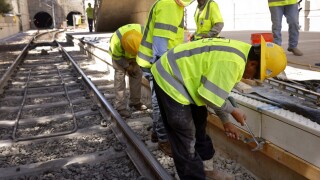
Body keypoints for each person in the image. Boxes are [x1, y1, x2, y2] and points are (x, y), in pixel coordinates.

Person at [150, 37, 287, 179]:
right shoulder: (233, 62)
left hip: (186, 77)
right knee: (184, 134)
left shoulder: (243, 53)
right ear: (253, 64)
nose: (251, 79)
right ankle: (190, 176)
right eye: (254, 76)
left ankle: (206, 169)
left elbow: (218, 91)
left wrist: (226, 121)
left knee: (199, 122)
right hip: (169, 76)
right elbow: (210, 96)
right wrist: (233, 111)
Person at [136, 0, 195, 156]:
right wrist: (167, 71)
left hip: (156, 60)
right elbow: (160, 46)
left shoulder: (174, 5)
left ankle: (157, 133)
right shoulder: (169, 5)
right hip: (156, 62)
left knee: (158, 99)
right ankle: (163, 140)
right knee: (161, 101)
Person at [109, 24, 147, 118]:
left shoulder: (144, 33)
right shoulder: (116, 41)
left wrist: (136, 63)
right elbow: (117, 57)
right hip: (120, 57)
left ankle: (135, 102)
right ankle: (120, 107)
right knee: (120, 76)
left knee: (137, 73)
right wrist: (127, 66)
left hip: (137, 54)